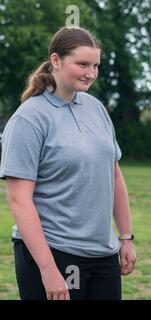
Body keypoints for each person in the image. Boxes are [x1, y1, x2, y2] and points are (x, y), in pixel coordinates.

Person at [0, 27, 136, 300]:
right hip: (55, 251)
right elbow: (19, 200)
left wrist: (125, 237)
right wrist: (48, 269)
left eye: (95, 65)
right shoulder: (29, 118)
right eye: (82, 64)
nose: (91, 73)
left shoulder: (95, 108)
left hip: (103, 253)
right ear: (56, 60)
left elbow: (114, 176)